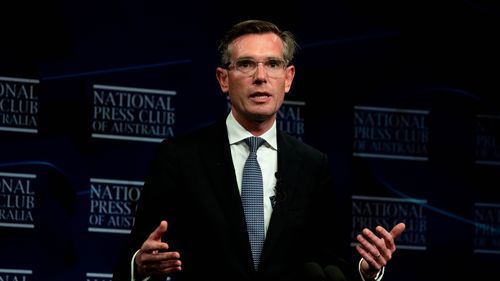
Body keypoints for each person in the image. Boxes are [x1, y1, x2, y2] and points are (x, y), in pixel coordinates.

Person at [112, 19, 405, 281]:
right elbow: (138, 252)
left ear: (288, 78)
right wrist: (140, 265)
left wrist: (364, 271)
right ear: (223, 79)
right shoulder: (179, 156)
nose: (261, 77)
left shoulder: (312, 165)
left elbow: (328, 265)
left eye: (273, 64)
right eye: (246, 64)